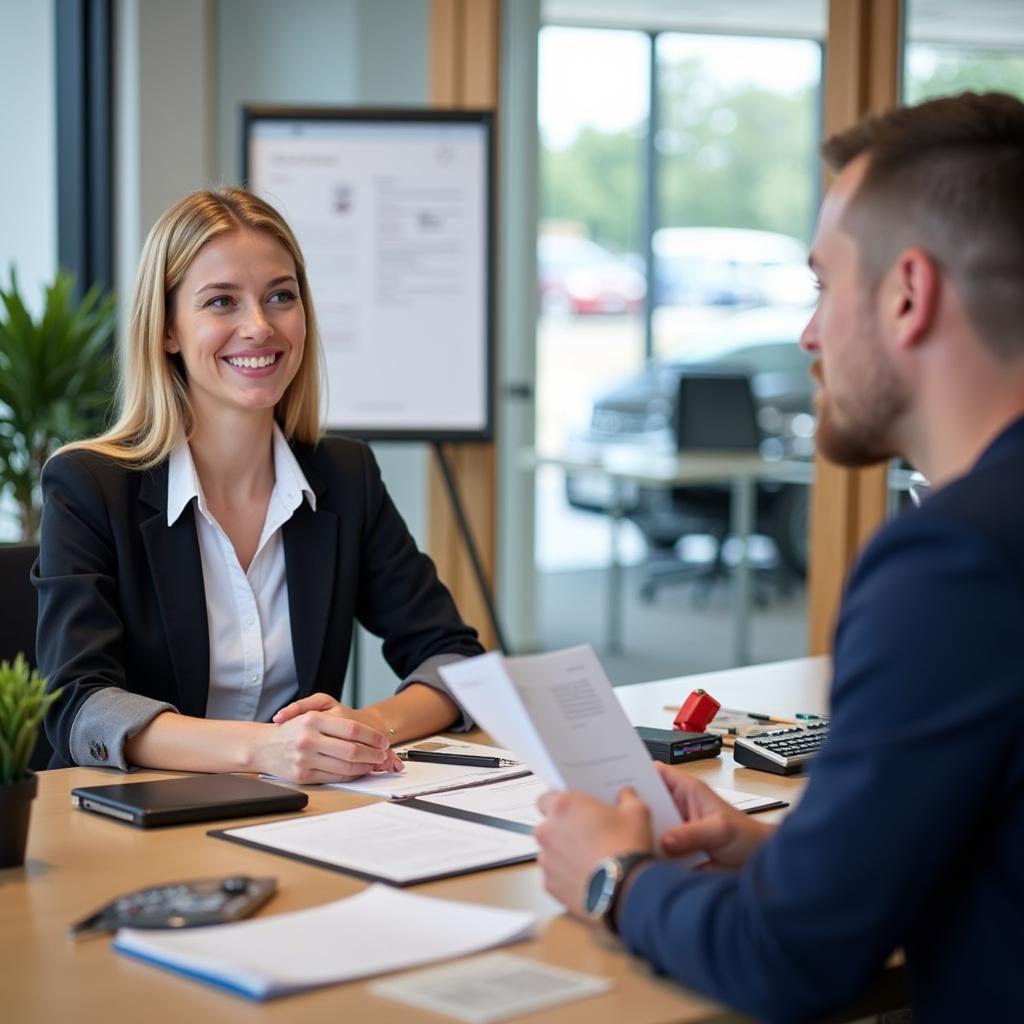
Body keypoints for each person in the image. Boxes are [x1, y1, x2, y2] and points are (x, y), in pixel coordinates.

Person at [535, 91, 1024, 1020]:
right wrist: (790, 864)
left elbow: (789, 966)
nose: (808, 334)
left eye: (823, 284)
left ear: (907, 295)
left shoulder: (954, 561)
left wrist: (614, 877)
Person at [35, 187, 483, 781]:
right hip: (139, 817)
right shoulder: (89, 485)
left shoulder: (345, 477)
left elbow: (453, 658)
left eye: (281, 296)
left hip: (300, 812)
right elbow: (80, 705)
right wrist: (261, 750)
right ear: (168, 328)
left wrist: (361, 731)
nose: (259, 327)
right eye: (221, 302)